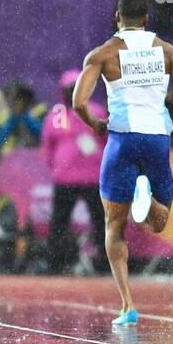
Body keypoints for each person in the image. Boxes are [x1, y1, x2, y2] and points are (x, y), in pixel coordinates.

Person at [72, 0, 173, 326]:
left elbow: (79, 102)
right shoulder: (167, 51)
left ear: (116, 18)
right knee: (160, 222)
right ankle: (146, 200)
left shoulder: (103, 54)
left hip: (121, 138)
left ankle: (128, 305)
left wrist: (96, 125)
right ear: (147, 20)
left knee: (114, 226)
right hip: (157, 140)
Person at [43, 69, 107, 274]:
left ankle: (104, 264)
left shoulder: (96, 112)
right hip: (70, 178)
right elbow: (47, 146)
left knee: (100, 223)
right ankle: (57, 264)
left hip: (90, 177)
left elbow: (107, 141)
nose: (72, 93)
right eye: (69, 89)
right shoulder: (58, 115)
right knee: (61, 223)